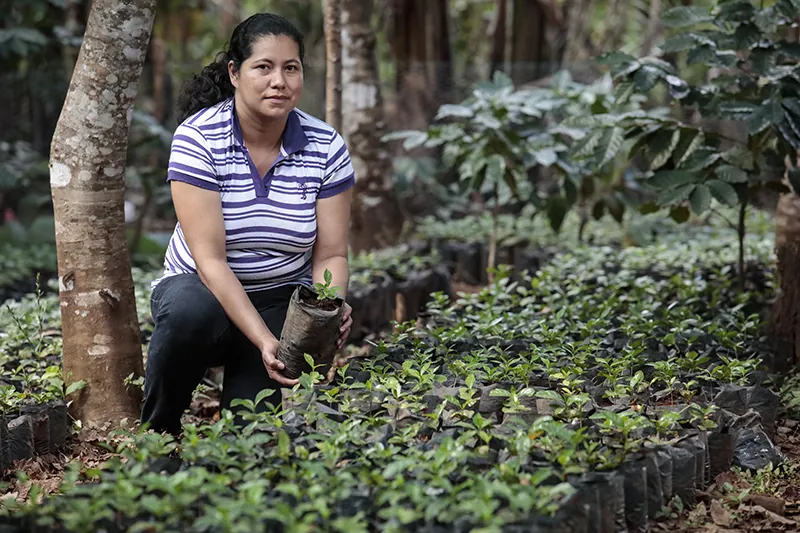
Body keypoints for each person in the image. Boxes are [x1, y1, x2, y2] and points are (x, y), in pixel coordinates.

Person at [140, 13, 354, 435]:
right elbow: (209, 260)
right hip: (203, 293)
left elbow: (331, 253)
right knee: (187, 312)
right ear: (235, 73)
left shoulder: (326, 145)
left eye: (291, 68)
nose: (279, 81)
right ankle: (157, 435)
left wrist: (327, 310)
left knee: (250, 435)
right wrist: (262, 339)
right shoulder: (198, 138)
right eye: (264, 67)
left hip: (279, 301)